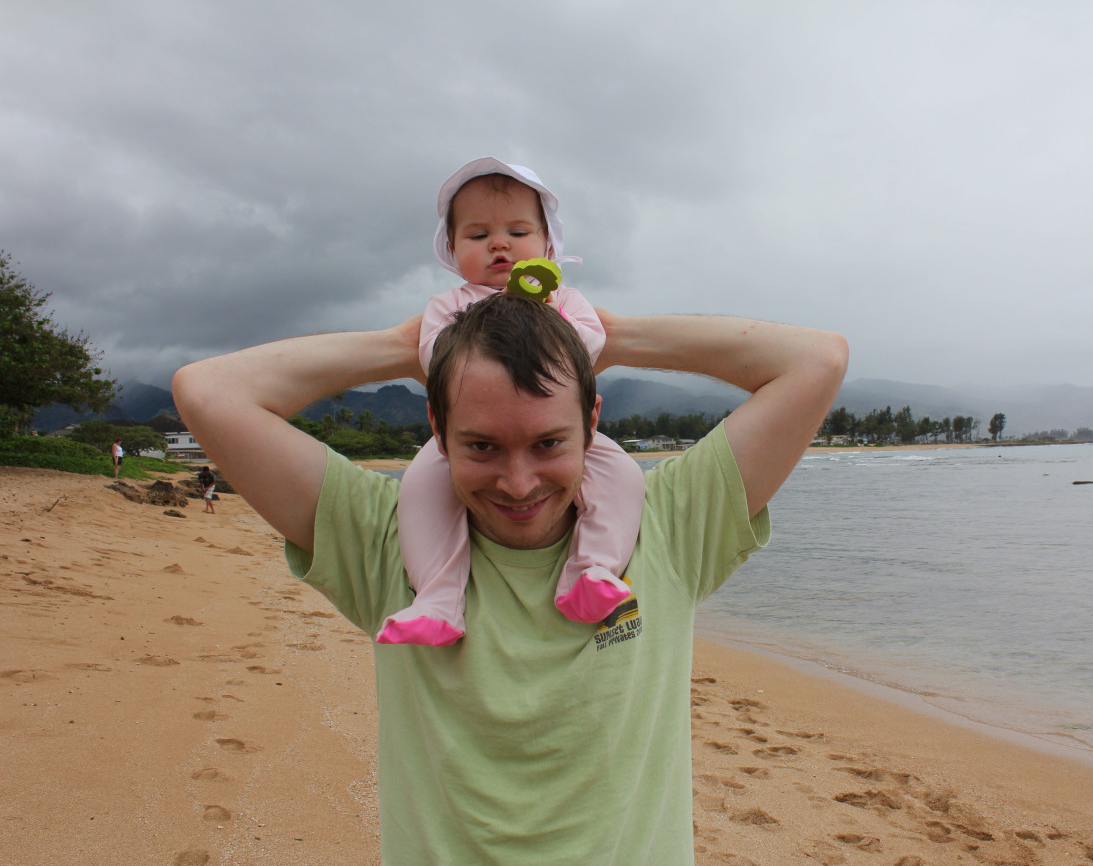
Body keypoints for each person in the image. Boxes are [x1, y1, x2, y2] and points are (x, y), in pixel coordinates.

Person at [172, 217, 846, 865]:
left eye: (549, 442)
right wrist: (415, 345)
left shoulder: (663, 526)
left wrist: (608, 334)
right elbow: (208, 391)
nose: (519, 483)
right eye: (482, 446)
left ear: (592, 419)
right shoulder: (386, 541)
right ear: (438, 428)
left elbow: (816, 360)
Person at [377, 157, 644, 647]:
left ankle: (594, 569)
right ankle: (437, 598)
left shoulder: (564, 300)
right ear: (453, 250)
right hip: (476, 425)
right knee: (420, 489)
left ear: (547, 244)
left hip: (552, 416)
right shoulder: (450, 305)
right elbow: (436, 353)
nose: (498, 244)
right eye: (478, 236)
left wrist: (543, 320)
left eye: (517, 231)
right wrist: (486, 325)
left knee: (623, 476)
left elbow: (591, 341)